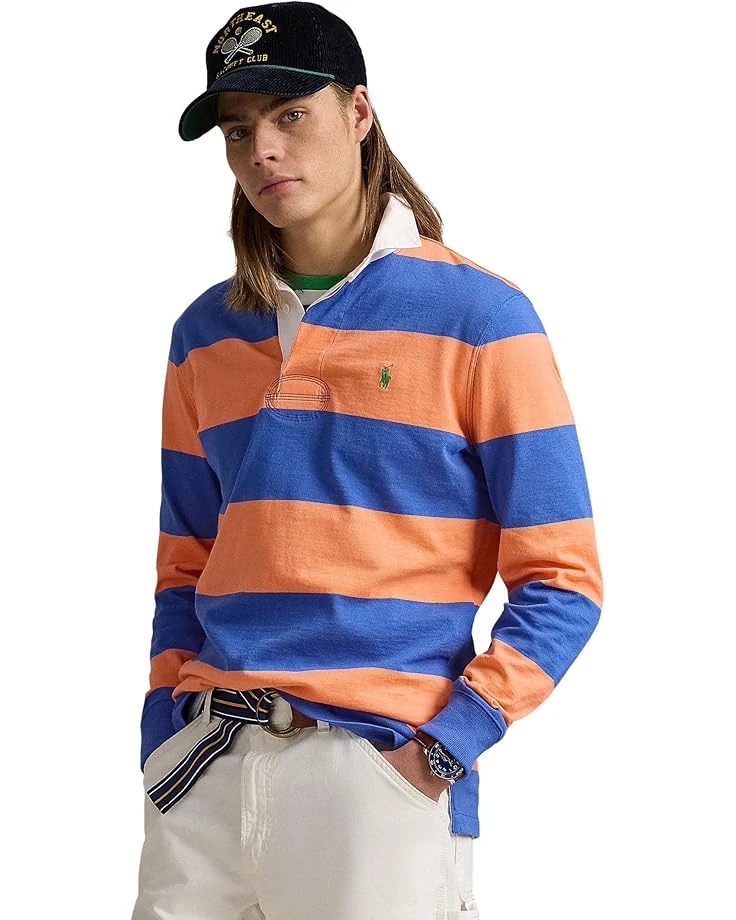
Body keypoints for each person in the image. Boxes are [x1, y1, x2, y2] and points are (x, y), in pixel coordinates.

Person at [131, 3, 604, 918]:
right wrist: (163, 726)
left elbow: (563, 579)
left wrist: (444, 748)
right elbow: (185, 561)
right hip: (203, 770)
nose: (263, 150)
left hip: (377, 777)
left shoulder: (481, 319)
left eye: (290, 114)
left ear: (358, 112)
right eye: (238, 130)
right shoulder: (204, 334)